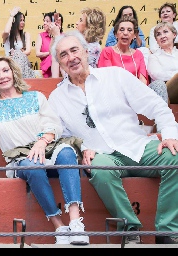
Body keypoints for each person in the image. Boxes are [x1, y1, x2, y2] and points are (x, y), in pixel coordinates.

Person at [48, 30, 178, 245]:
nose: (71, 58)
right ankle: (129, 229)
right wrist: (81, 149)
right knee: (99, 170)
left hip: (137, 146)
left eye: (74, 50)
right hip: (103, 156)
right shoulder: (57, 98)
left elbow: (156, 106)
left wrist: (171, 135)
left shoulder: (115, 76)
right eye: (63, 55)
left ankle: (167, 230)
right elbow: (62, 138)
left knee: (175, 157)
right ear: (59, 63)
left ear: (86, 51)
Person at [0, 55, 89, 245]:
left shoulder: (35, 97)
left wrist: (42, 142)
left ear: (14, 73)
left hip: (47, 148)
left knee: (67, 151)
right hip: (20, 158)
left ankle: (75, 223)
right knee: (32, 164)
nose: (2, 76)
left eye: (5, 70)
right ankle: (59, 227)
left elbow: (54, 126)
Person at [97, 16, 168, 103]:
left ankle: (162, 115)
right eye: (122, 29)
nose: (125, 33)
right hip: (115, 95)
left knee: (159, 84)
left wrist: (135, 92)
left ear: (134, 35)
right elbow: (108, 79)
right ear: (116, 34)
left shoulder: (138, 54)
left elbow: (143, 80)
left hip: (137, 94)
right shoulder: (107, 51)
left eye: (130, 30)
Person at [148, 22, 178, 104]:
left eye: (165, 32)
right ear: (156, 40)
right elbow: (157, 75)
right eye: (158, 34)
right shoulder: (154, 57)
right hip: (166, 91)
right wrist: (176, 76)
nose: (162, 36)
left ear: (174, 34)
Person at [2, 6, 35, 78]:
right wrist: (11, 16)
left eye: (23, 20)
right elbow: (6, 31)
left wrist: (16, 54)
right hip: (10, 63)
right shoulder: (7, 36)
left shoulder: (26, 35)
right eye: (20, 20)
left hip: (23, 63)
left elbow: (28, 51)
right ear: (14, 21)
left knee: (20, 57)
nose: (23, 22)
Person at [36, 11, 64, 78]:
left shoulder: (63, 36)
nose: (44, 23)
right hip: (46, 63)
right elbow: (38, 54)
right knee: (54, 56)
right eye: (44, 21)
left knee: (60, 57)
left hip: (60, 63)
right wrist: (50, 54)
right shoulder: (41, 35)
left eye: (47, 21)